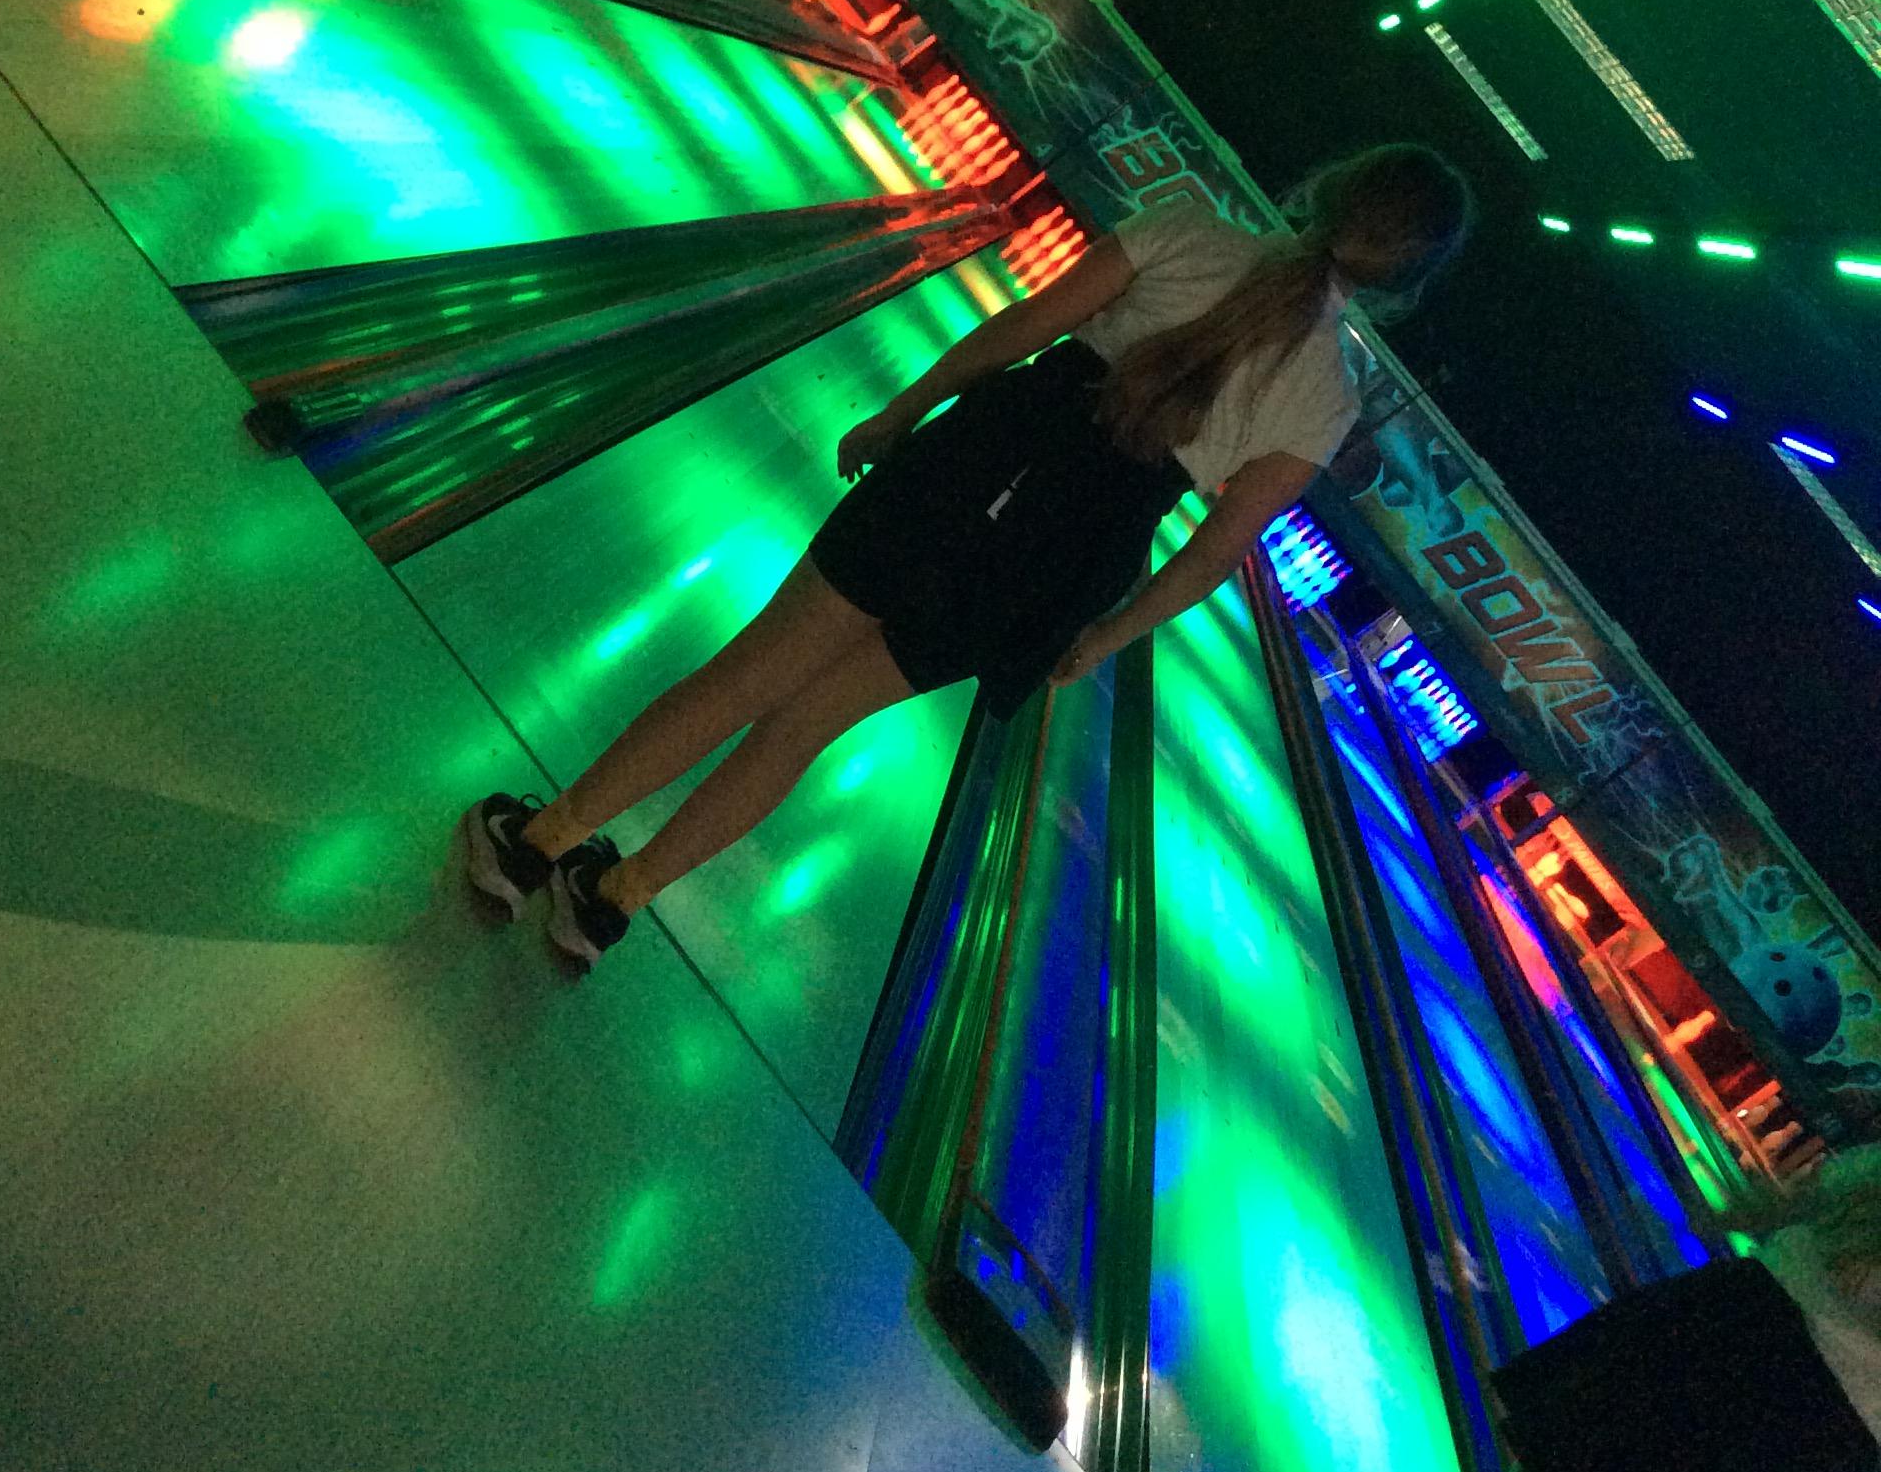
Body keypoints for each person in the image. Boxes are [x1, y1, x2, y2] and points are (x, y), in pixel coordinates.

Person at [461, 143, 1474, 966]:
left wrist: (904, 409)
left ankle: (537, 844)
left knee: (751, 675)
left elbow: (1022, 328)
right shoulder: (1327, 397)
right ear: (1406, 281)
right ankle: (614, 900)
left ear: (1333, 187)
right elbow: (1216, 551)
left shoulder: (1189, 230)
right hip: (1058, 560)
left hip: (982, 459)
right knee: (807, 723)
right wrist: (1103, 634)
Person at [1490, 1145, 1881, 1472]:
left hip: (1734, 1317)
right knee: (1570, 1453)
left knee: (1569, 1451)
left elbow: (1826, 1195)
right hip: (1803, 1408)